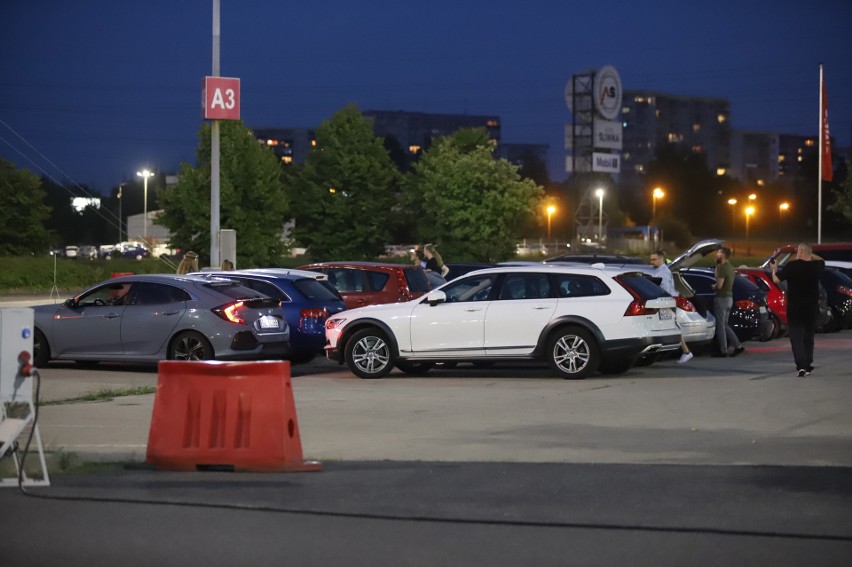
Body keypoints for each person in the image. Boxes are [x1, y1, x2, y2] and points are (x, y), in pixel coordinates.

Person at [771, 243, 824, 377]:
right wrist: (808, 253)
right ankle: (807, 363)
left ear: (800, 253)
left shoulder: (791, 266)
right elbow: (822, 260)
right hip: (811, 307)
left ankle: (801, 365)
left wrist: (774, 269)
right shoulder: (816, 267)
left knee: (796, 336)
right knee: (808, 335)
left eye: (798, 252)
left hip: (795, 307)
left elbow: (776, 279)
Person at [649, 249, 693, 364]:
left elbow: (665, 290)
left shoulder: (662, 272)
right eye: (651, 259)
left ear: (661, 259)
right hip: (668, 302)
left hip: (667, 303)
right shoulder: (661, 270)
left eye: (654, 259)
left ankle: (686, 351)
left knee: (672, 327)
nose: (651, 262)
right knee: (670, 327)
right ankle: (684, 352)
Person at [712, 246, 744, 357]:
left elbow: (719, 285)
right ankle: (738, 346)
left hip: (721, 298)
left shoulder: (723, 268)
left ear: (723, 255)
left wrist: (713, 286)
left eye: (718, 253)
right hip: (729, 298)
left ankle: (723, 350)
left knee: (720, 326)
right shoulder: (730, 267)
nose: (716, 255)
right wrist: (717, 265)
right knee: (725, 325)